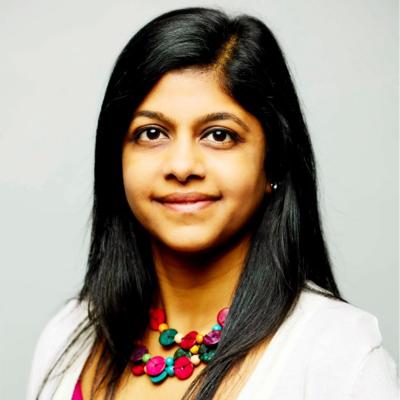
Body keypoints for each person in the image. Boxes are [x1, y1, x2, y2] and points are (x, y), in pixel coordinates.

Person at [26, 6, 398, 400]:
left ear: (273, 162)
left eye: (219, 135)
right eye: (152, 133)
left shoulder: (338, 354)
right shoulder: (68, 337)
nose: (182, 166)